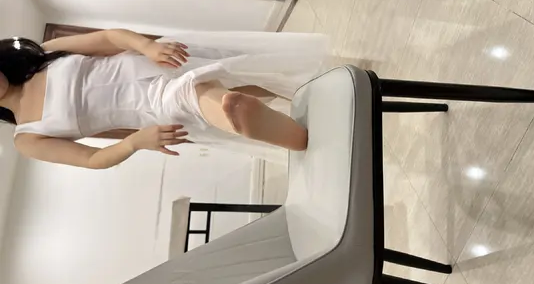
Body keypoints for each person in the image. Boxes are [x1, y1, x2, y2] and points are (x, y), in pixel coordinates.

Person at [0, 29, 329, 168]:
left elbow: (109, 38)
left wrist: (147, 46)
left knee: (244, 76)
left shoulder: (46, 53)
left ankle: (295, 96)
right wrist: (134, 143)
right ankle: (239, 113)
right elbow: (90, 159)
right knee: (194, 95)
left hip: (157, 60)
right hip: (150, 105)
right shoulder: (27, 138)